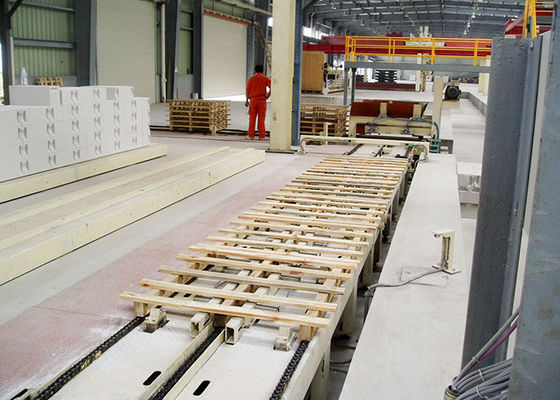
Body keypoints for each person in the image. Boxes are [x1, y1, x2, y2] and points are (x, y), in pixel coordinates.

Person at [245, 64, 271, 140]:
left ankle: (250, 136)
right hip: (262, 101)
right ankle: (262, 136)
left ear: (255, 70)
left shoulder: (251, 79)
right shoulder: (265, 79)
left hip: (253, 101)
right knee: (261, 119)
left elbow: (247, 91)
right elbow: (273, 86)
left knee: (252, 119)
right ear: (262, 71)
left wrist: (247, 101)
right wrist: (268, 95)